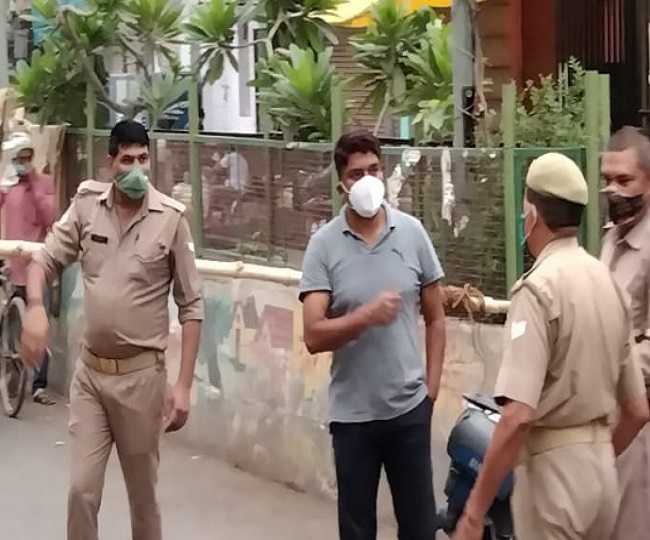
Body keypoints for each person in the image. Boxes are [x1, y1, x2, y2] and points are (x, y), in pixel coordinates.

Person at [19, 119, 204, 540]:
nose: (137, 169)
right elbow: (43, 261)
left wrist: (183, 385)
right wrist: (34, 307)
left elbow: (191, 306)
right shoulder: (88, 206)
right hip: (91, 379)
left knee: (143, 501)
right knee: (82, 492)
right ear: (110, 163)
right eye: (127, 160)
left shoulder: (170, 220)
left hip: (141, 382)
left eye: (143, 159)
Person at [452, 152, 649, 540]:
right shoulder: (606, 281)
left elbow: (517, 416)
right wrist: (594, 458)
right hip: (603, 476)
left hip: (553, 480)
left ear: (532, 213)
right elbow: (638, 409)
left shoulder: (538, 289)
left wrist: (473, 513)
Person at [299, 130, 446, 540]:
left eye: (374, 169)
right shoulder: (323, 246)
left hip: (409, 411)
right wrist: (364, 316)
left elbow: (436, 318)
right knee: (357, 530)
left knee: (419, 528)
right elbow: (313, 334)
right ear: (341, 185)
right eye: (356, 173)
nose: (367, 180)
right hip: (353, 420)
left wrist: (430, 392)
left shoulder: (412, 233)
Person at [600, 126, 650, 540]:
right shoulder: (611, 236)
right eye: (606, 180)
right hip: (604, 405)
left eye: (624, 180)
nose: (613, 190)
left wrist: (615, 361)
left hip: (639, 414)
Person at [0, 131, 56, 405]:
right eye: (18, 159)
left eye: (27, 158)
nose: (23, 164)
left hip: (36, 268)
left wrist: (34, 185)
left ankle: (38, 385)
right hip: (11, 266)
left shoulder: (43, 183)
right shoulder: (7, 185)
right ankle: (11, 376)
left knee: (39, 323)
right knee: (11, 327)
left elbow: (49, 216)